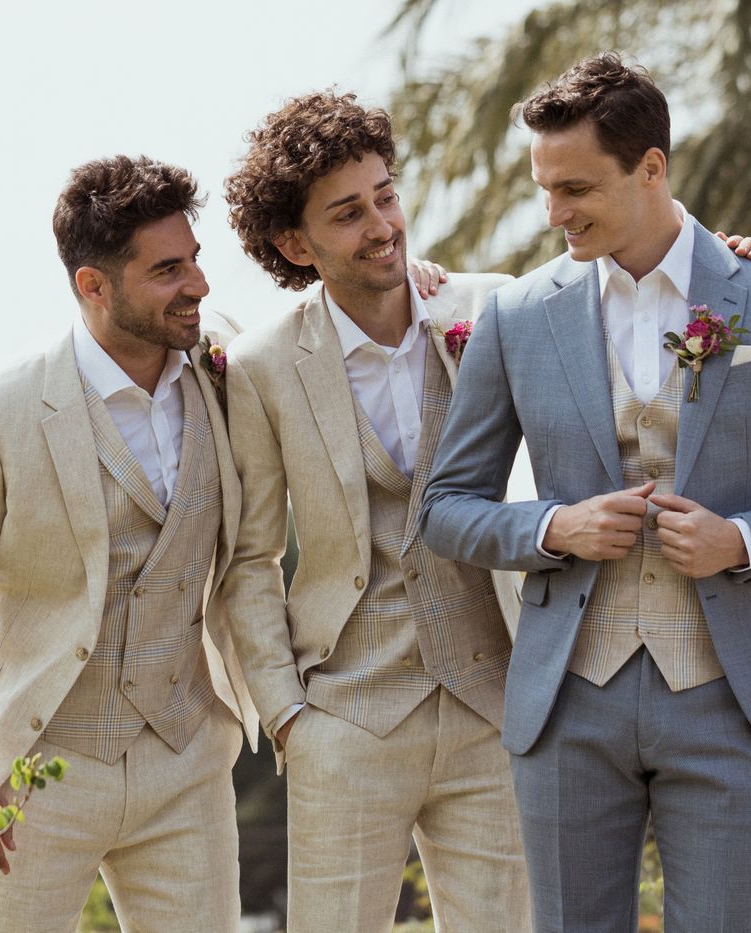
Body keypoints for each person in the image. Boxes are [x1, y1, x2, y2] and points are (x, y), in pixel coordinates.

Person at [420, 53, 751, 931]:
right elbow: (445, 506)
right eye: (544, 189)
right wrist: (554, 526)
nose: (554, 214)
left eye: (576, 189)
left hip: (730, 697)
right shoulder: (518, 316)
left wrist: (742, 542)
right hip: (568, 701)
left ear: (651, 167)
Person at [0, 155, 258, 932]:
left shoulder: (225, 360)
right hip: (31, 769)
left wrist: (427, 283)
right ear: (93, 286)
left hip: (186, 754)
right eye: (168, 270)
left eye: (195, 260)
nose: (197, 285)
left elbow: (320, 339)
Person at [219, 90, 533, 933]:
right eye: (349, 213)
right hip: (346, 715)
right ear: (295, 242)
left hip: (495, 701)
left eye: (386, 196)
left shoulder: (493, 306)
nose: (384, 225)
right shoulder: (262, 365)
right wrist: (288, 716)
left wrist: (723, 264)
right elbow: (248, 560)